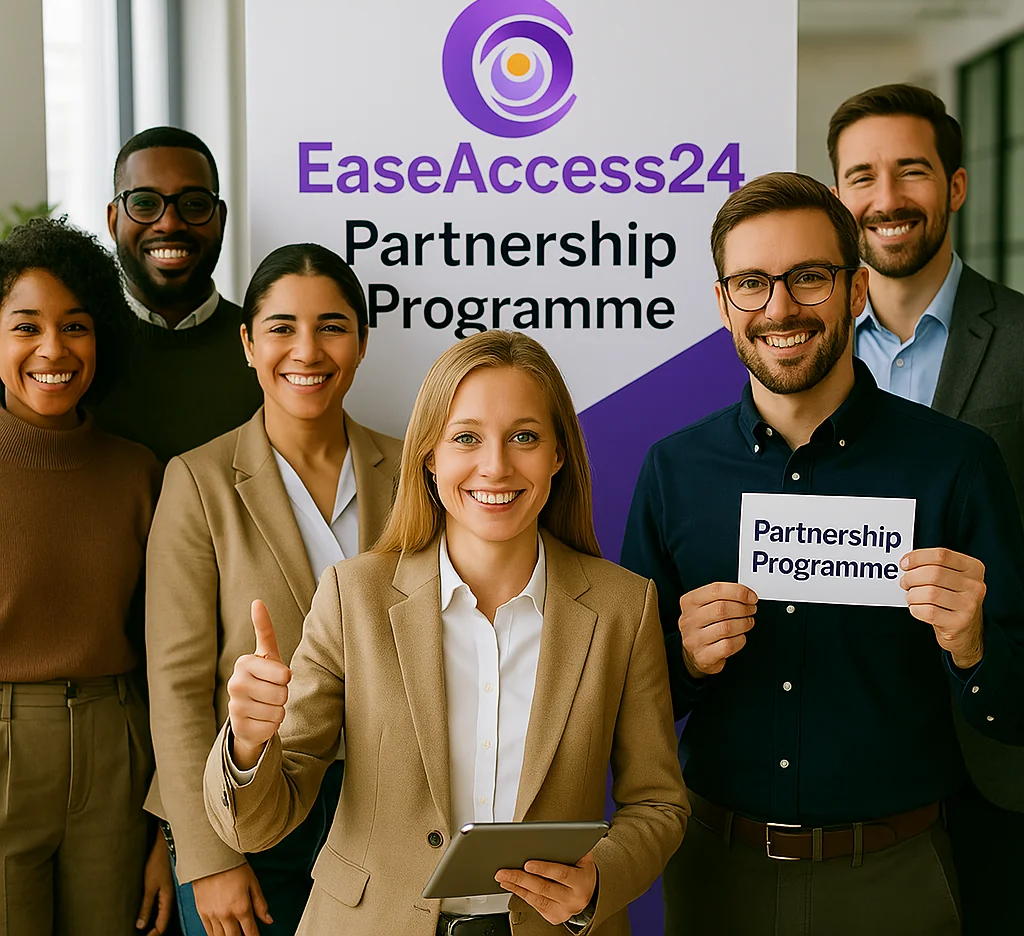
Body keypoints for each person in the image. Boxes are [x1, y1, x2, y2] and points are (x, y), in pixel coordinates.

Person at [621, 173, 1024, 936]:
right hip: (715, 876)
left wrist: (975, 648)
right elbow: (626, 710)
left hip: (898, 879)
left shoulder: (957, 465)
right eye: (752, 283)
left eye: (809, 277)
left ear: (856, 290)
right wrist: (684, 661)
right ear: (723, 305)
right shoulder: (673, 470)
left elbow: (1016, 708)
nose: (780, 308)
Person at [203, 329, 689, 936]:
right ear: (429, 456)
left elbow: (658, 804)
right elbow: (256, 825)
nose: (496, 466)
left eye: (525, 437)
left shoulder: (624, 608)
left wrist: (599, 880)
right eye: (466, 438)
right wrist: (249, 745)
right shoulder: (353, 597)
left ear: (558, 454)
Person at [145, 244, 402, 936]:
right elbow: (175, 687)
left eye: (332, 327)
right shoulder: (198, 481)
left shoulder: (417, 473)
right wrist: (208, 855)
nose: (307, 351)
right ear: (248, 344)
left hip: (389, 811)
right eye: (282, 328)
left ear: (362, 342)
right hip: (249, 804)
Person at [828, 82, 1024, 934]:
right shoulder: (799, 349)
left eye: (911, 171)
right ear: (838, 196)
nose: (886, 198)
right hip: (849, 747)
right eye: (861, 176)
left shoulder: (1020, 339)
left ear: (956, 185)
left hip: (992, 754)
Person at [0, 217, 171, 935]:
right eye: (26, 327)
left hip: (117, 747)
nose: (53, 349)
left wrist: (168, 829)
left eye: (75, 326)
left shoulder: (138, 473)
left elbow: (171, 656)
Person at [93, 126, 262, 463]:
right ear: (113, 221)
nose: (169, 223)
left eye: (194, 203)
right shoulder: (76, 350)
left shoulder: (265, 349)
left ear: (221, 219)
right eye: (144, 203)